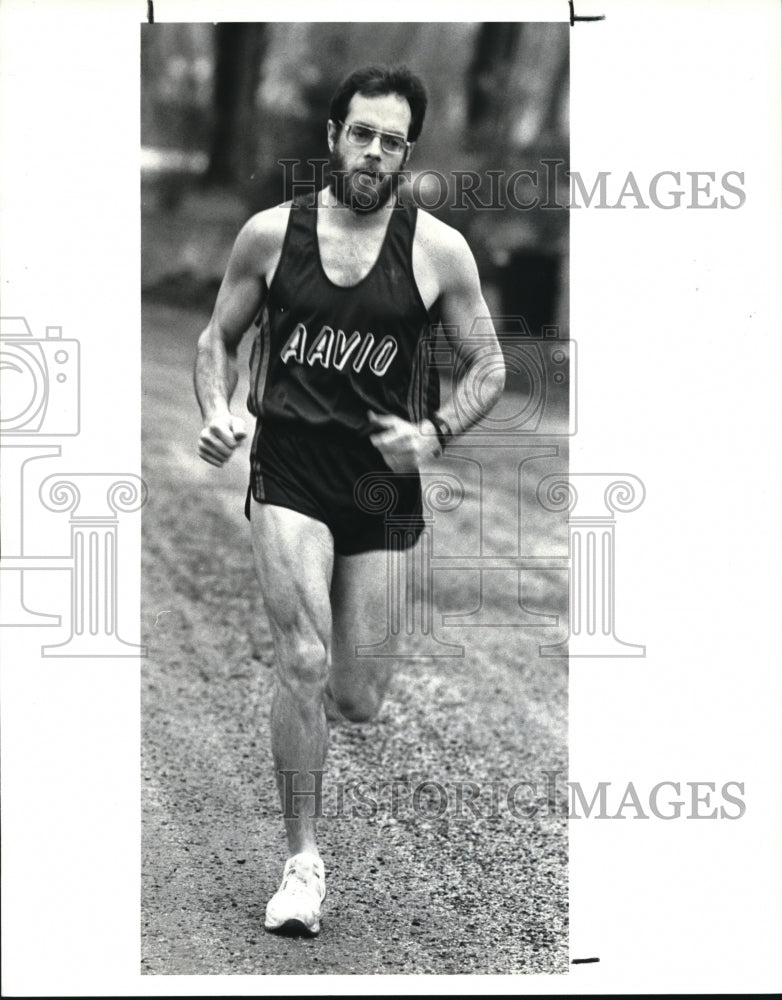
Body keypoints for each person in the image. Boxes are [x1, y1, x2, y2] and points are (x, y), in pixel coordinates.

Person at [194, 65, 505, 937]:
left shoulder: (438, 250)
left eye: (393, 141)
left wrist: (435, 433)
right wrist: (218, 410)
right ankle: (302, 865)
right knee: (302, 660)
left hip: (378, 482)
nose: (375, 153)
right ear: (334, 133)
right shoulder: (270, 235)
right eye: (362, 133)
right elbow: (217, 339)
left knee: (358, 695)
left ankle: (309, 712)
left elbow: (490, 366)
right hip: (289, 466)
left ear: (409, 152)